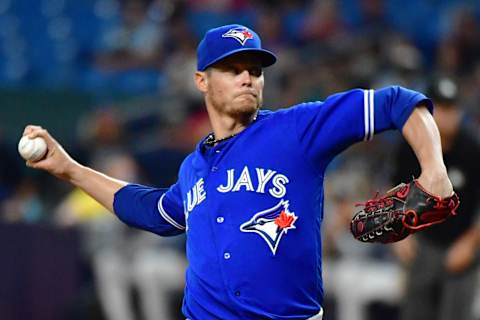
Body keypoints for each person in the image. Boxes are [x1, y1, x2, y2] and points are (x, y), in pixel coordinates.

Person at [23, 24, 455, 320]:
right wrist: (70, 169)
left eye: (255, 70)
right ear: (201, 81)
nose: (248, 77)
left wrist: (433, 171)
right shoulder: (193, 168)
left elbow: (399, 101)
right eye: (233, 69)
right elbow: (153, 210)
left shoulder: (297, 130)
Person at [392, 77, 480, 320]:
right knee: (415, 313)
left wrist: (471, 243)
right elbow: (396, 188)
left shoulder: (473, 148)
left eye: (450, 108)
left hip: (461, 246)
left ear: (459, 112)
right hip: (423, 244)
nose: (444, 116)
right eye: (438, 108)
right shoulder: (410, 147)